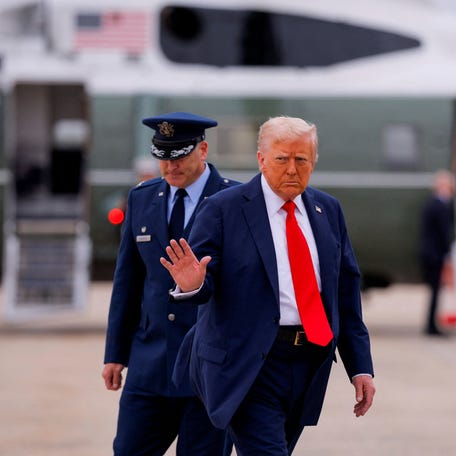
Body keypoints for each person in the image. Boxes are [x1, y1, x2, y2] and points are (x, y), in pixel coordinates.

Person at [161, 116, 376, 455]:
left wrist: (360, 367)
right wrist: (194, 285)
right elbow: (203, 280)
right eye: (282, 159)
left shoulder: (328, 211)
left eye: (301, 159)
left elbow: (345, 296)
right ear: (261, 159)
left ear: (313, 161)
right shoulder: (223, 209)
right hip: (249, 364)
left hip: (307, 362)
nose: (292, 169)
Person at [102, 112, 239, 455]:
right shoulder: (142, 198)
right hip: (149, 366)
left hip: (209, 372)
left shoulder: (235, 203)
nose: (170, 167)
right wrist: (115, 353)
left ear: (203, 150)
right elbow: (128, 281)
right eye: (162, 157)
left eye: (179, 156)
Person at [419, 169, 455, 336]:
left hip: (430, 253)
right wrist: (447, 254)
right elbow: (443, 233)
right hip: (435, 255)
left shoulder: (432, 204)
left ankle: (431, 324)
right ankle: (431, 325)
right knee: (434, 291)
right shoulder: (439, 206)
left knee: (434, 291)